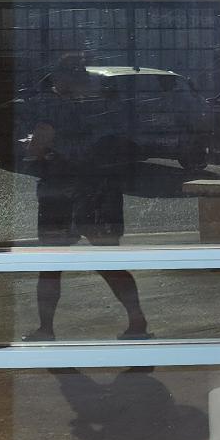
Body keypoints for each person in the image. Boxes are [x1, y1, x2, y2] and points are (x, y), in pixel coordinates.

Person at [18, 53, 149, 341]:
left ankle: (46, 328)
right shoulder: (101, 105)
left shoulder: (54, 107)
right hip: (101, 191)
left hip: (64, 193)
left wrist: (32, 152)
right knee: (108, 261)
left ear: (62, 78)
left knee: (51, 266)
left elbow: (39, 144)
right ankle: (136, 320)